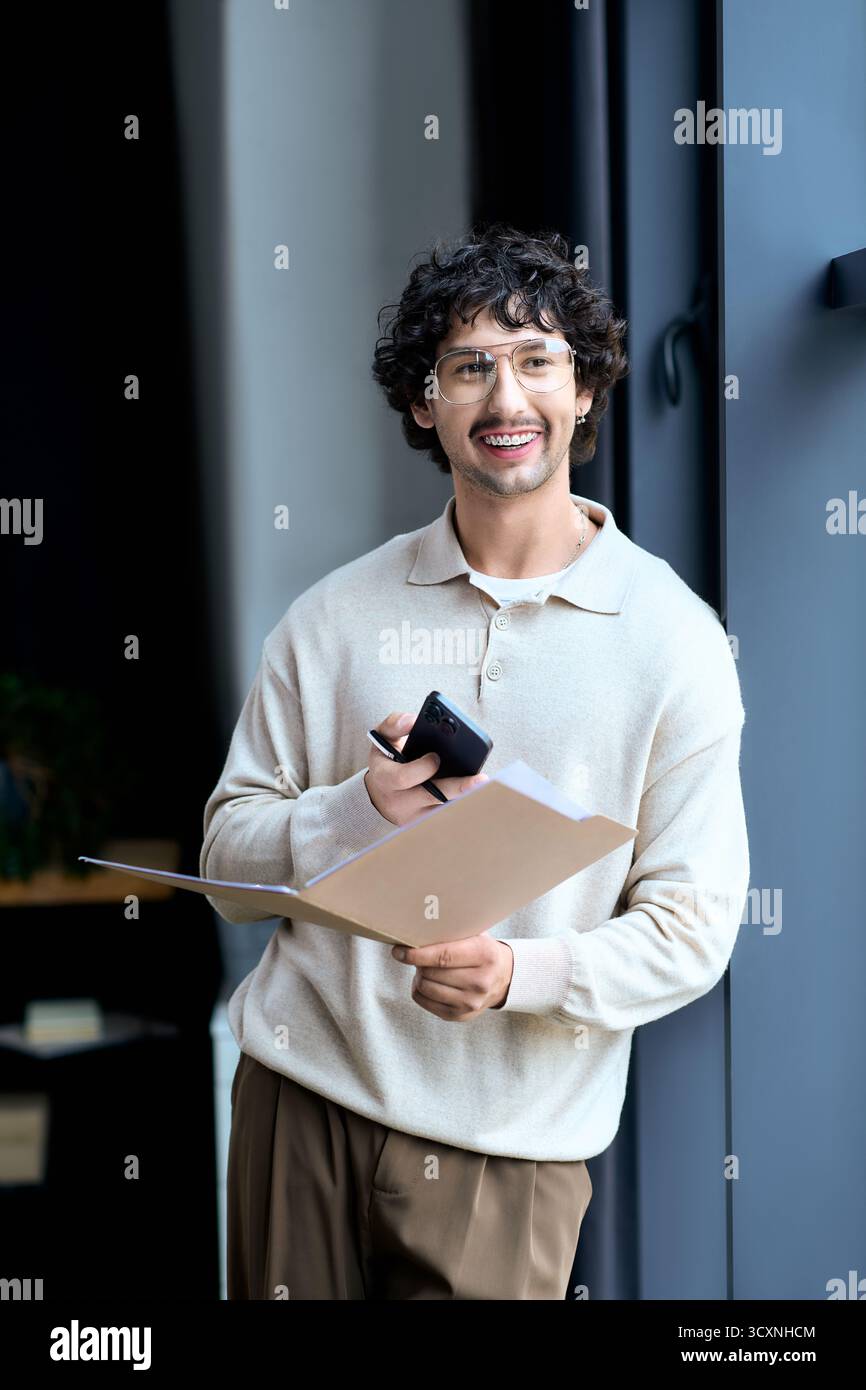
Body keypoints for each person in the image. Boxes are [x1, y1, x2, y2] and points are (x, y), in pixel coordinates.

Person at [201, 223, 749, 1301]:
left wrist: (519, 977)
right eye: (467, 367)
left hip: (510, 1150)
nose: (506, 399)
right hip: (298, 1101)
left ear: (583, 392)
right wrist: (354, 808)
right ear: (423, 404)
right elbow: (226, 869)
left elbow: (693, 928)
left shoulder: (669, 638)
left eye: (537, 360)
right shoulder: (333, 617)